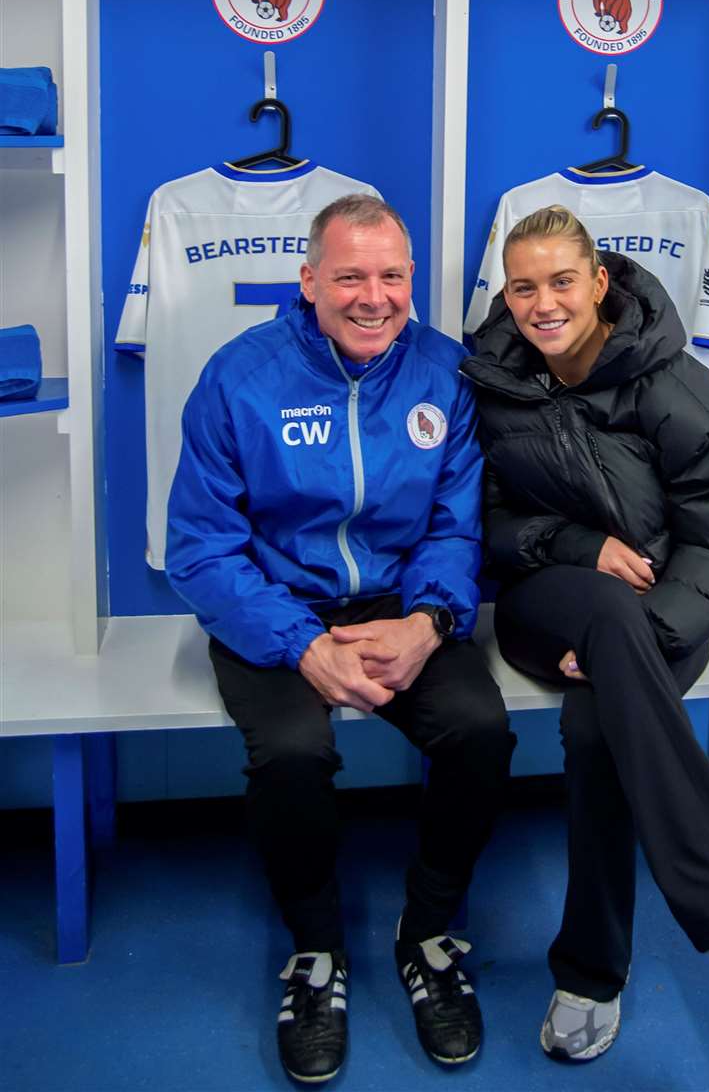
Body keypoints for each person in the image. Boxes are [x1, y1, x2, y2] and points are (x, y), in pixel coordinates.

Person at [461, 205, 709, 1062]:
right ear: (506, 294)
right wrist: (575, 545)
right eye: (524, 286)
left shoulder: (674, 382)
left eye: (562, 281)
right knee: (602, 614)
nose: (543, 303)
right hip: (543, 603)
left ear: (600, 282)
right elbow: (477, 520)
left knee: (598, 723)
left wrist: (642, 630)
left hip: (666, 608)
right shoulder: (487, 379)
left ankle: (589, 975)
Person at [166, 194, 515, 1082]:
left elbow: (456, 521)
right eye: (350, 276)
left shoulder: (446, 371)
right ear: (309, 281)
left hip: (404, 605)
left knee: (480, 732)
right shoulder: (239, 377)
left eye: (392, 276)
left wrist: (431, 621)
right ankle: (317, 955)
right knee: (289, 751)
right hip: (276, 607)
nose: (374, 297)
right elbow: (202, 549)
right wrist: (299, 643)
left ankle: (428, 932)